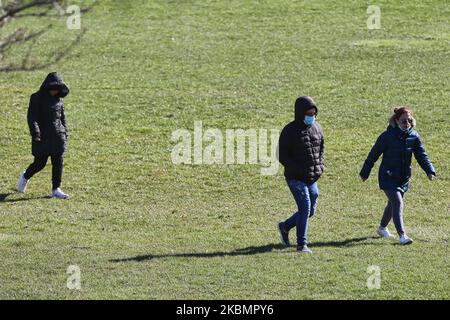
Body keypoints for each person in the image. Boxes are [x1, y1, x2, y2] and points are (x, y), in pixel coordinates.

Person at [360, 107, 435, 245]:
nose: (406, 123)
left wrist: (429, 170)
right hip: (388, 176)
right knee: (398, 202)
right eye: (403, 120)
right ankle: (402, 235)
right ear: (396, 120)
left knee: (392, 204)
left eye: (409, 120)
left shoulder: (414, 136)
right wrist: (365, 172)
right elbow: (373, 154)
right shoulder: (387, 137)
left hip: (403, 178)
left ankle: (382, 228)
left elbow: (421, 155)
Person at [277, 96, 324, 254]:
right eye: (309, 113)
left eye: (313, 114)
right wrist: (296, 169)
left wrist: (320, 165)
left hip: (312, 177)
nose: (312, 117)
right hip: (295, 178)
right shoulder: (289, 131)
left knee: (310, 211)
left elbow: (321, 149)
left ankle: (285, 226)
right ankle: (301, 244)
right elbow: (282, 156)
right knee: (304, 207)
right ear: (300, 113)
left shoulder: (317, 128)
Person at [17, 72, 70, 199]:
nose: (54, 92)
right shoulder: (36, 98)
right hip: (42, 136)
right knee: (40, 163)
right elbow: (32, 117)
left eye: (56, 89)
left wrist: (65, 132)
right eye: (52, 89)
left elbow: (62, 117)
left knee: (58, 162)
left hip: (58, 136)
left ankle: (56, 189)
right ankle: (25, 176)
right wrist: (36, 133)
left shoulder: (59, 99)